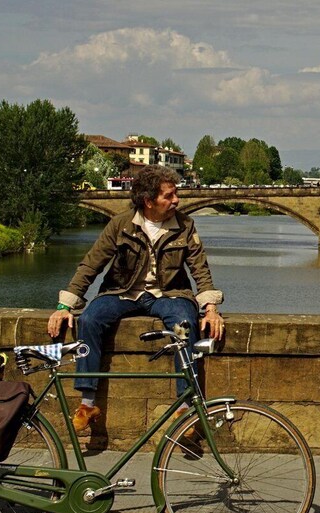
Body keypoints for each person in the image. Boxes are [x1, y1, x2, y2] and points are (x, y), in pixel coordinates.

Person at [47, 165, 224, 431]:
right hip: (122, 293)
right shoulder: (121, 224)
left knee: (185, 324)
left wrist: (210, 308)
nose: (176, 200)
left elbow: (200, 268)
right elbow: (91, 265)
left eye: (176, 194)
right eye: (169, 195)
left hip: (169, 294)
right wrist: (64, 306)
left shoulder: (185, 225)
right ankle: (87, 402)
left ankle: (187, 409)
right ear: (148, 201)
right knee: (90, 319)